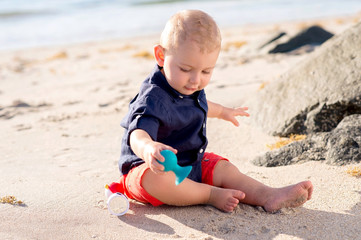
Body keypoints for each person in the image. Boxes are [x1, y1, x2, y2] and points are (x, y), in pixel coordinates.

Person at [116, 9, 313, 213]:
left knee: (225, 169)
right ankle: (209, 194)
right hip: (150, 170)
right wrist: (148, 148)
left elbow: (201, 104)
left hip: (191, 163)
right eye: (185, 69)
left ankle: (268, 194)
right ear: (160, 56)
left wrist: (223, 112)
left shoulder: (187, 86)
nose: (195, 79)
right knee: (158, 180)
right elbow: (136, 133)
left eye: (206, 71)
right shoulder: (152, 98)